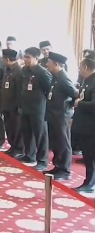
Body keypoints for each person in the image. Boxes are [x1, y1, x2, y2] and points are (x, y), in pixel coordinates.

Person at [19, 47, 52, 171]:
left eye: (28, 57)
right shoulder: (24, 70)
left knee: (40, 135)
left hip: (38, 108)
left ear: (36, 58)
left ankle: (42, 160)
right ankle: (29, 155)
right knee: (27, 132)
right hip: (26, 106)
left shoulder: (43, 72)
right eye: (25, 57)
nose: (25, 59)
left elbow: (49, 91)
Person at [44, 52, 74, 180]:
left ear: (56, 64)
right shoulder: (55, 77)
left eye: (49, 62)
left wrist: (67, 108)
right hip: (53, 114)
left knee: (63, 143)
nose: (47, 64)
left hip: (61, 116)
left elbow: (75, 94)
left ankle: (65, 170)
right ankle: (58, 165)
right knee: (56, 142)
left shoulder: (64, 78)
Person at [73, 57, 95, 193]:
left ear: (86, 67)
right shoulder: (86, 80)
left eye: (80, 67)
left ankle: (91, 183)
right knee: (87, 155)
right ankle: (88, 181)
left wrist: (79, 103)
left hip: (91, 126)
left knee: (91, 155)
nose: (79, 70)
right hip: (83, 124)